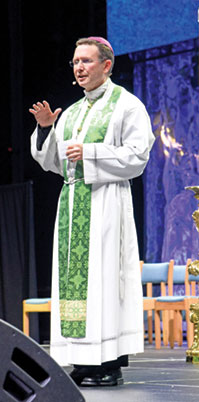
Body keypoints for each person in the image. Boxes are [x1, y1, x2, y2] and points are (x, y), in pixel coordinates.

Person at [29, 36, 155, 387]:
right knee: (75, 287)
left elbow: (137, 156)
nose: (79, 68)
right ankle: (82, 360)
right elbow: (52, 162)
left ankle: (108, 362)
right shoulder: (70, 112)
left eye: (86, 61)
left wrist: (92, 153)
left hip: (106, 204)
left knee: (103, 282)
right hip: (72, 204)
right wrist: (45, 129)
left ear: (107, 65)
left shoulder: (127, 106)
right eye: (75, 62)